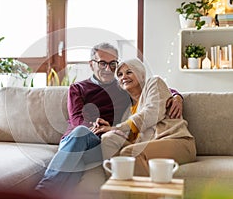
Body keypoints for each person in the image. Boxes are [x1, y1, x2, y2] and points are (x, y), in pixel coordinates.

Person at [35, 43, 183, 198]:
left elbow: (151, 89)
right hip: (79, 139)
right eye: (102, 63)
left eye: (113, 64)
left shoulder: (121, 86)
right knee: (80, 135)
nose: (108, 68)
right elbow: (77, 118)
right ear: (91, 65)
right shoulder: (78, 88)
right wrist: (96, 127)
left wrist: (176, 96)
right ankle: (43, 192)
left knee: (77, 162)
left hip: (105, 143)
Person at [90, 58, 196, 176]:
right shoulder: (127, 111)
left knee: (129, 153)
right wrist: (111, 129)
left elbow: (151, 113)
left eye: (129, 72)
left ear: (141, 75)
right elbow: (131, 134)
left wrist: (118, 128)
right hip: (148, 145)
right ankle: (117, 187)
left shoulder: (154, 83)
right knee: (108, 139)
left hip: (176, 141)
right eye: (120, 75)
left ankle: (146, 193)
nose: (123, 77)